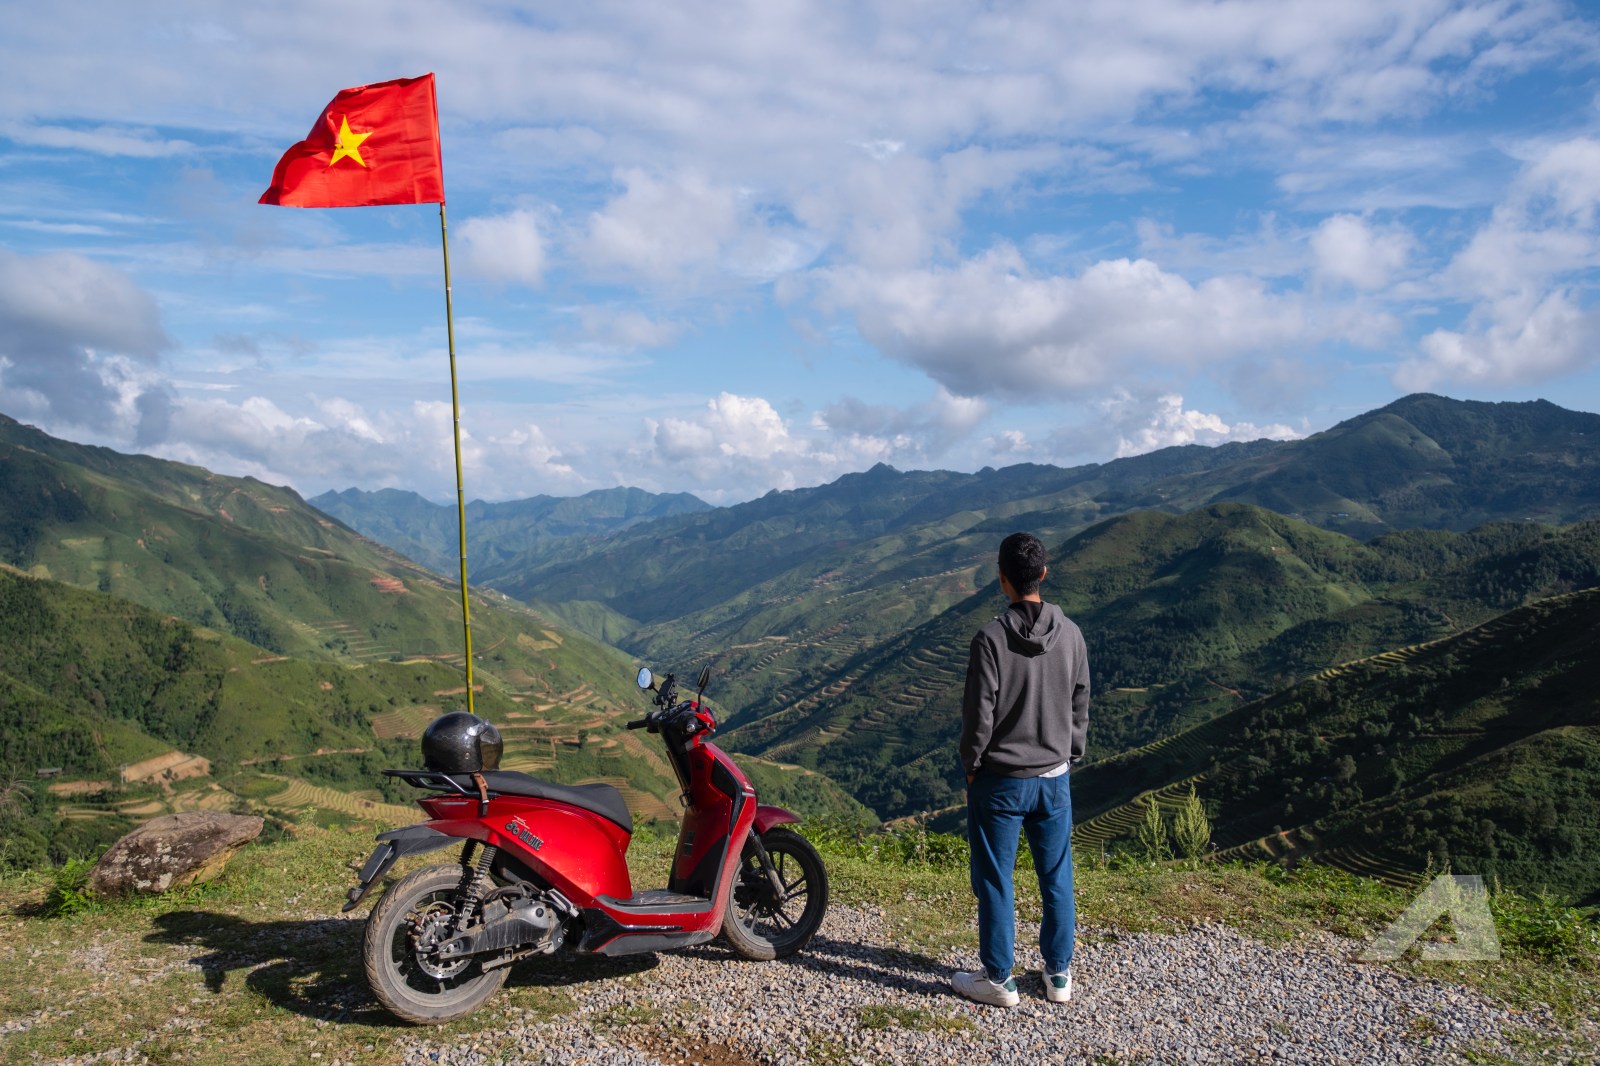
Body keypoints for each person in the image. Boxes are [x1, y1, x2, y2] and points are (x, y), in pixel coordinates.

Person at [951, 531, 1090, 1007]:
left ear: (1002, 578)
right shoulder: (1071, 634)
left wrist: (971, 767)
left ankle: (998, 980)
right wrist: (1071, 753)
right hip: (1054, 778)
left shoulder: (990, 639)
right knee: (1056, 876)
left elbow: (978, 716)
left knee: (995, 878)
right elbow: (1080, 701)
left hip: (1001, 782)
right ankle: (1058, 975)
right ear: (1043, 575)